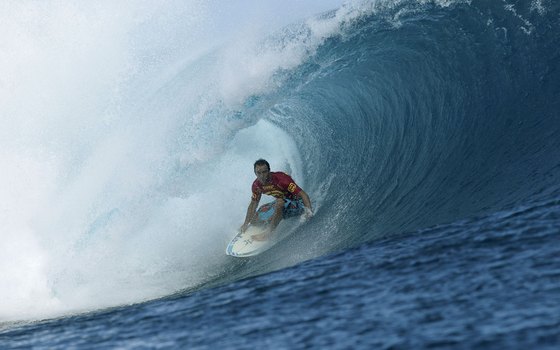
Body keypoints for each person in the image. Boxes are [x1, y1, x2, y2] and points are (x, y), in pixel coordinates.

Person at [240, 159, 313, 240]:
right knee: (255, 216)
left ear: (269, 171)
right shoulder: (256, 185)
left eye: (264, 172)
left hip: (297, 204)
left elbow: (303, 195)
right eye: (259, 173)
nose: (262, 176)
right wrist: (246, 223)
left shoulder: (282, 179)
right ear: (255, 173)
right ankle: (271, 221)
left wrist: (309, 212)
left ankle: (268, 233)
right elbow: (253, 204)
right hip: (283, 203)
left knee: (279, 202)